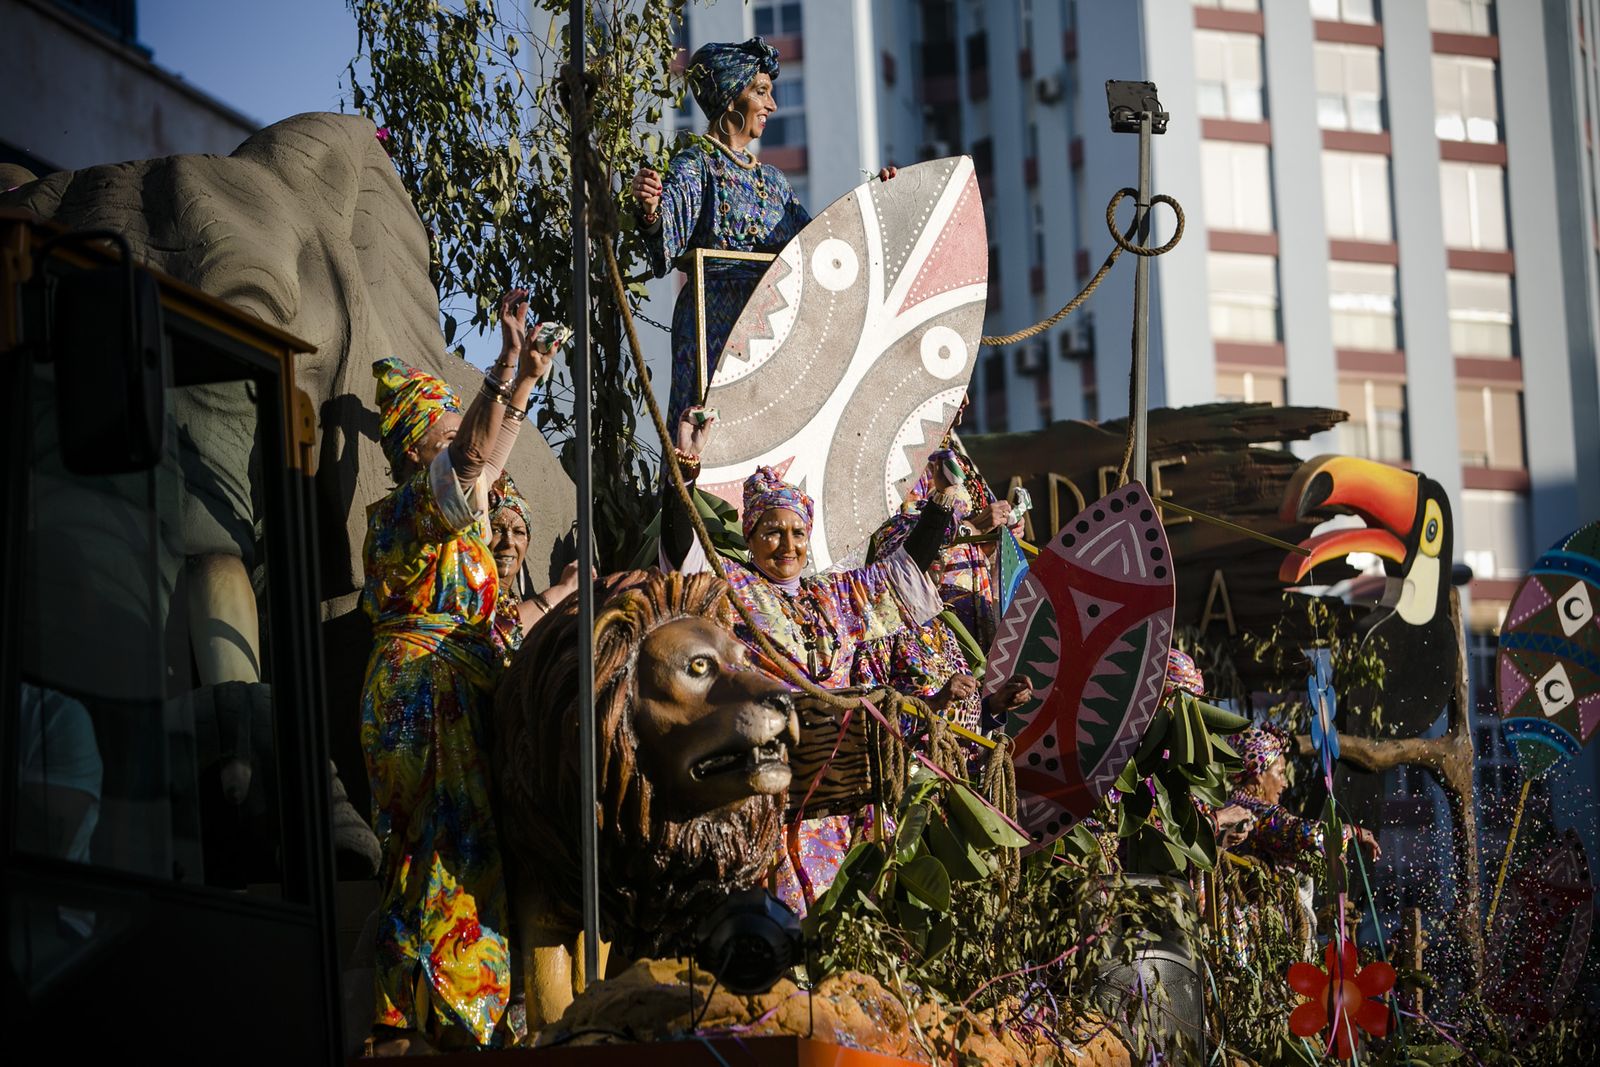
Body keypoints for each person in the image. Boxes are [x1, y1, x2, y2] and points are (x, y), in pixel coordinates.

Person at [360, 291, 565, 1053]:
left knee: (460, 844)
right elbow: (475, 456)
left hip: (453, 682)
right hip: (421, 693)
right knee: (437, 847)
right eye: (445, 433)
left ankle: (452, 1010)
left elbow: (488, 457)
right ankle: (420, 1012)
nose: (464, 442)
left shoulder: (453, 503)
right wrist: (501, 367)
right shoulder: (408, 512)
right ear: (417, 451)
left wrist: (526, 376)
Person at [659, 408, 950, 914]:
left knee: (851, 917)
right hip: (767, 786)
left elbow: (904, 573)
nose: (787, 545)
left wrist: (943, 501)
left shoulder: (835, 596)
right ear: (750, 536)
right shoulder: (730, 586)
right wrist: (684, 467)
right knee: (782, 915)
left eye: (797, 532)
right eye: (772, 531)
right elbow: (682, 554)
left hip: (841, 790)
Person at [630, 37, 895, 426]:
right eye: (761, 91)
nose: (772, 105)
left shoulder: (773, 181)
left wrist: (875, 205)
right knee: (708, 435)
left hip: (769, 327)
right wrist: (652, 208)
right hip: (711, 324)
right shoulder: (697, 165)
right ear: (731, 96)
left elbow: (818, 248)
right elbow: (666, 237)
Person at [1227, 723, 1381, 870]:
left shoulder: (1236, 804)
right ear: (1259, 775)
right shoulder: (1252, 812)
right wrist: (1351, 832)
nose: (1285, 783)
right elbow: (1300, 833)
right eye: (1280, 773)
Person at [487, 472, 582, 654]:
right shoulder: (469, 593)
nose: (509, 542)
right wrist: (562, 590)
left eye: (519, 532)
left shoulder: (513, 601)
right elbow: (494, 637)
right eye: (497, 530)